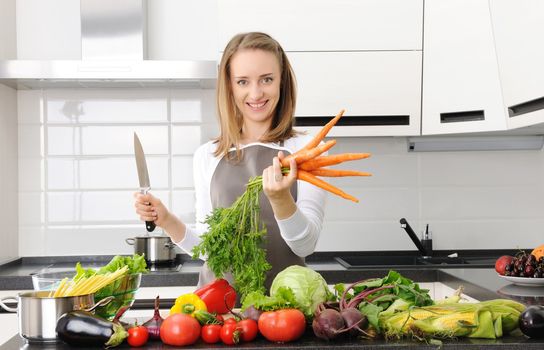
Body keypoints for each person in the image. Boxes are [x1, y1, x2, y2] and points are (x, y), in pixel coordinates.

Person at [134, 32, 326, 289]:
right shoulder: (207, 155)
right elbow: (208, 249)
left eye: (266, 79)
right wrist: (166, 219)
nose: (255, 93)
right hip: (219, 312)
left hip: (285, 311)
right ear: (230, 86)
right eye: (243, 81)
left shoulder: (308, 149)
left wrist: (281, 200)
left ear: (282, 82)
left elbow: (306, 245)